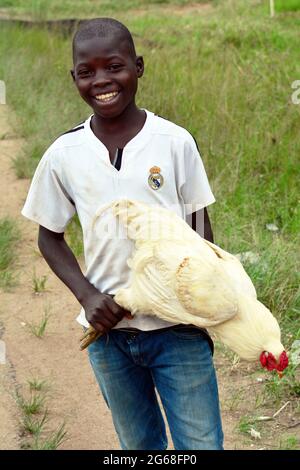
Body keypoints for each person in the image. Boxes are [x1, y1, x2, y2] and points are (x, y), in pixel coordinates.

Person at [22, 17, 224, 450]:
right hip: (109, 335)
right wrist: (88, 296)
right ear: (73, 78)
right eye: (86, 72)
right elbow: (49, 237)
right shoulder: (65, 154)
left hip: (179, 329)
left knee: (201, 443)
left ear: (139, 66)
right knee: (138, 445)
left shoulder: (174, 141)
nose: (102, 80)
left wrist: (207, 300)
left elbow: (201, 226)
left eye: (114, 66)